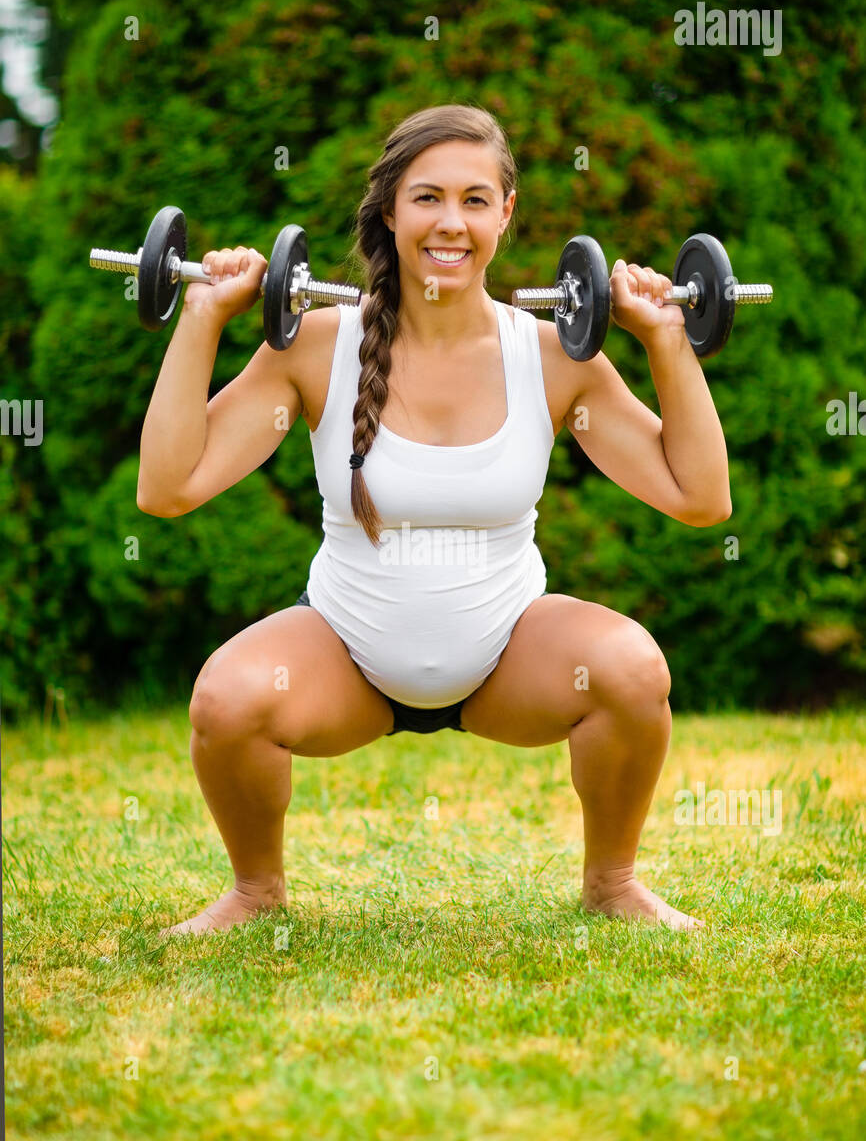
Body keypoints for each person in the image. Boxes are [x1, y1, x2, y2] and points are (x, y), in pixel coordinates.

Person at [137, 104, 730, 937]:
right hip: (345, 657)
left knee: (631, 672)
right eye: (427, 198)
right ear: (390, 210)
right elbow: (168, 487)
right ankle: (255, 891)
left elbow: (701, 498)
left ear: (507, 214)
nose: (451, 223)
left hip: (507, 658)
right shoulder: (313, 345)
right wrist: (202, 316)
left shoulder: (556, 358)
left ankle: (613, 882)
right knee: (230, 699)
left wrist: (667, 340)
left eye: (476, 200)